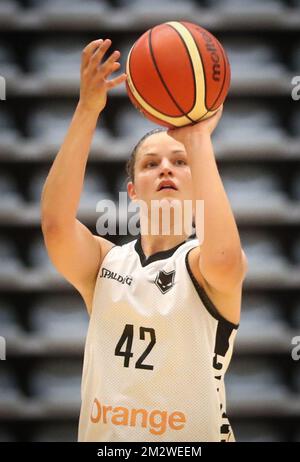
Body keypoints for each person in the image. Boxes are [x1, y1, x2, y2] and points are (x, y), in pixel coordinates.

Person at [41, 38, 248, 442]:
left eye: (180, 161)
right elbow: (55, 225)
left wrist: (198, 139)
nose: (166, 169)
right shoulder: (106, 264)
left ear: (197, 179)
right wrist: (87, 109)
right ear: (133, 190)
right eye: (152, 164)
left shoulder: (199, 264)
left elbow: (225, 259)